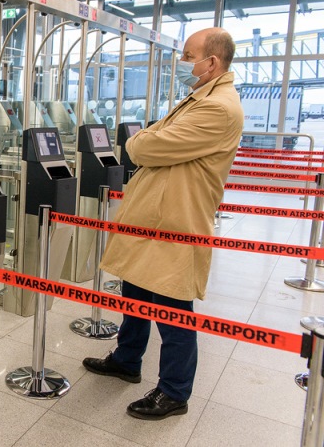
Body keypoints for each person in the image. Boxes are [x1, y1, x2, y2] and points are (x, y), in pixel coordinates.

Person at [82, 28, 244, 420]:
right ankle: (127, 359)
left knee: (173, 308)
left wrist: (142, 142)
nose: (183, 64)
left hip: (175, 222)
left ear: (212, 63)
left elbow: (144, 145)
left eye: (189, 57)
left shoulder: (218, 107)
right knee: (135, 295)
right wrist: (146, 139)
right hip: (151, 219)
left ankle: (174, 391)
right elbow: (150, 138)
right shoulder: (198, 97)